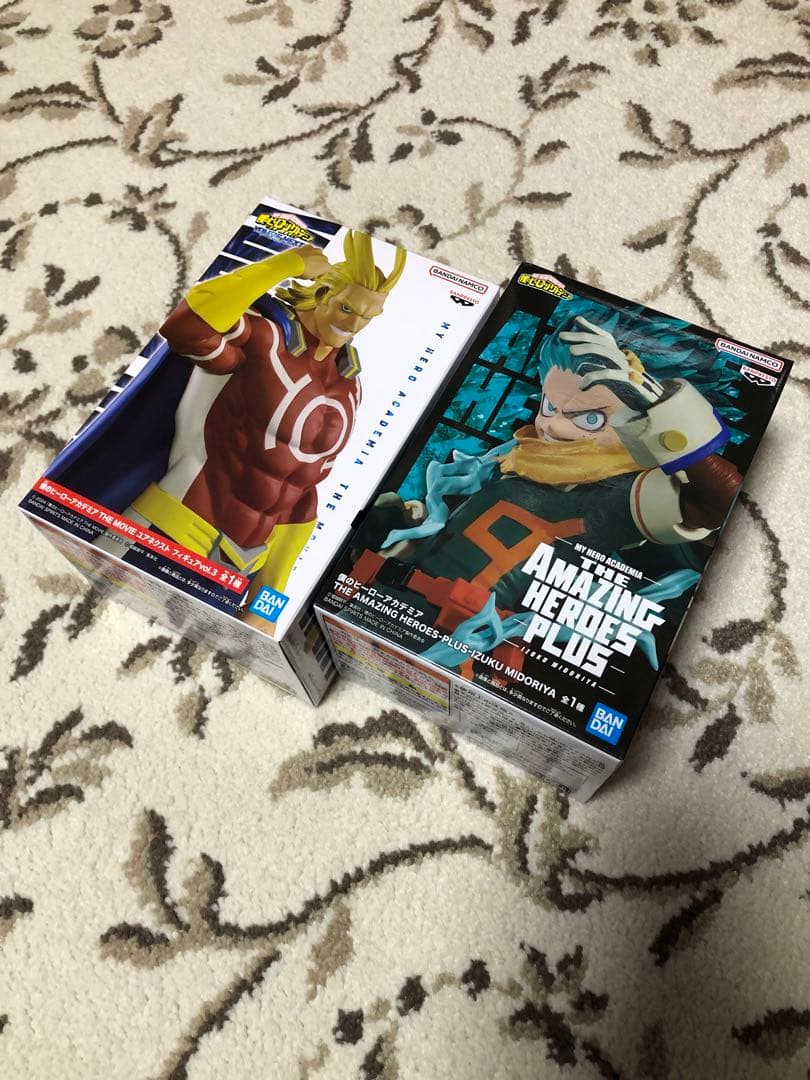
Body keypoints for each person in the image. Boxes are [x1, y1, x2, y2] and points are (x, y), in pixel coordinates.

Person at [96, 230, 406, 632]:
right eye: (347, 308)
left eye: (368, 317)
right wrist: (287, 264)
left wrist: (267, 607)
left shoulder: (348, 383)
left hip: (239, 570)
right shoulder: (265, 337)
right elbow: (186, 327)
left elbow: (302, 493)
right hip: (169, 530)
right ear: (322, 293)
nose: (354, 324)